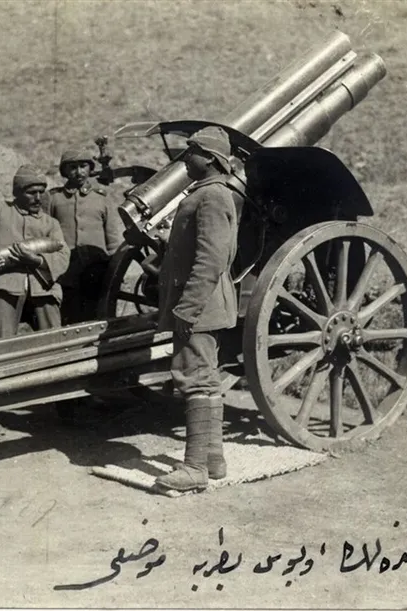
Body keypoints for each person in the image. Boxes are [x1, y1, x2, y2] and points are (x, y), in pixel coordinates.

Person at [154, 126, 239, 492]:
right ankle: (213, 459)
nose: (185, 156)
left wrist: (186, 309)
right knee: (206, 377)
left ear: (211, 158)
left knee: (193, 379)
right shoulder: (208, 194)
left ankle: (193, 469)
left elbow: (211, 259)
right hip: (203, 304)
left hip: (199, 306)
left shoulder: (212, 196)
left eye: (192, 150)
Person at [0, 165, 70, 434]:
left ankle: (59, 406)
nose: (38, 198)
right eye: (31, 192)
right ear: (18, 192)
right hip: (4, 288)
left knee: (54, 344)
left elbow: (62, 254)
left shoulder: (50, 223)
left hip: (42, 288)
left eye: (41, 192)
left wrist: (35, 260)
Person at [43, 149, 124, 325]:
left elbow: (112, 239)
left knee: (97, 314)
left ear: (90, 168)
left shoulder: (101, 199)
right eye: (72, 167)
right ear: (64, 171)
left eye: (83, 166)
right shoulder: (53, 199)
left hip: (97, 268)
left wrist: (115, 267)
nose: (78, 172)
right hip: (65, 270)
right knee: (69, 314)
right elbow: (44, 233)